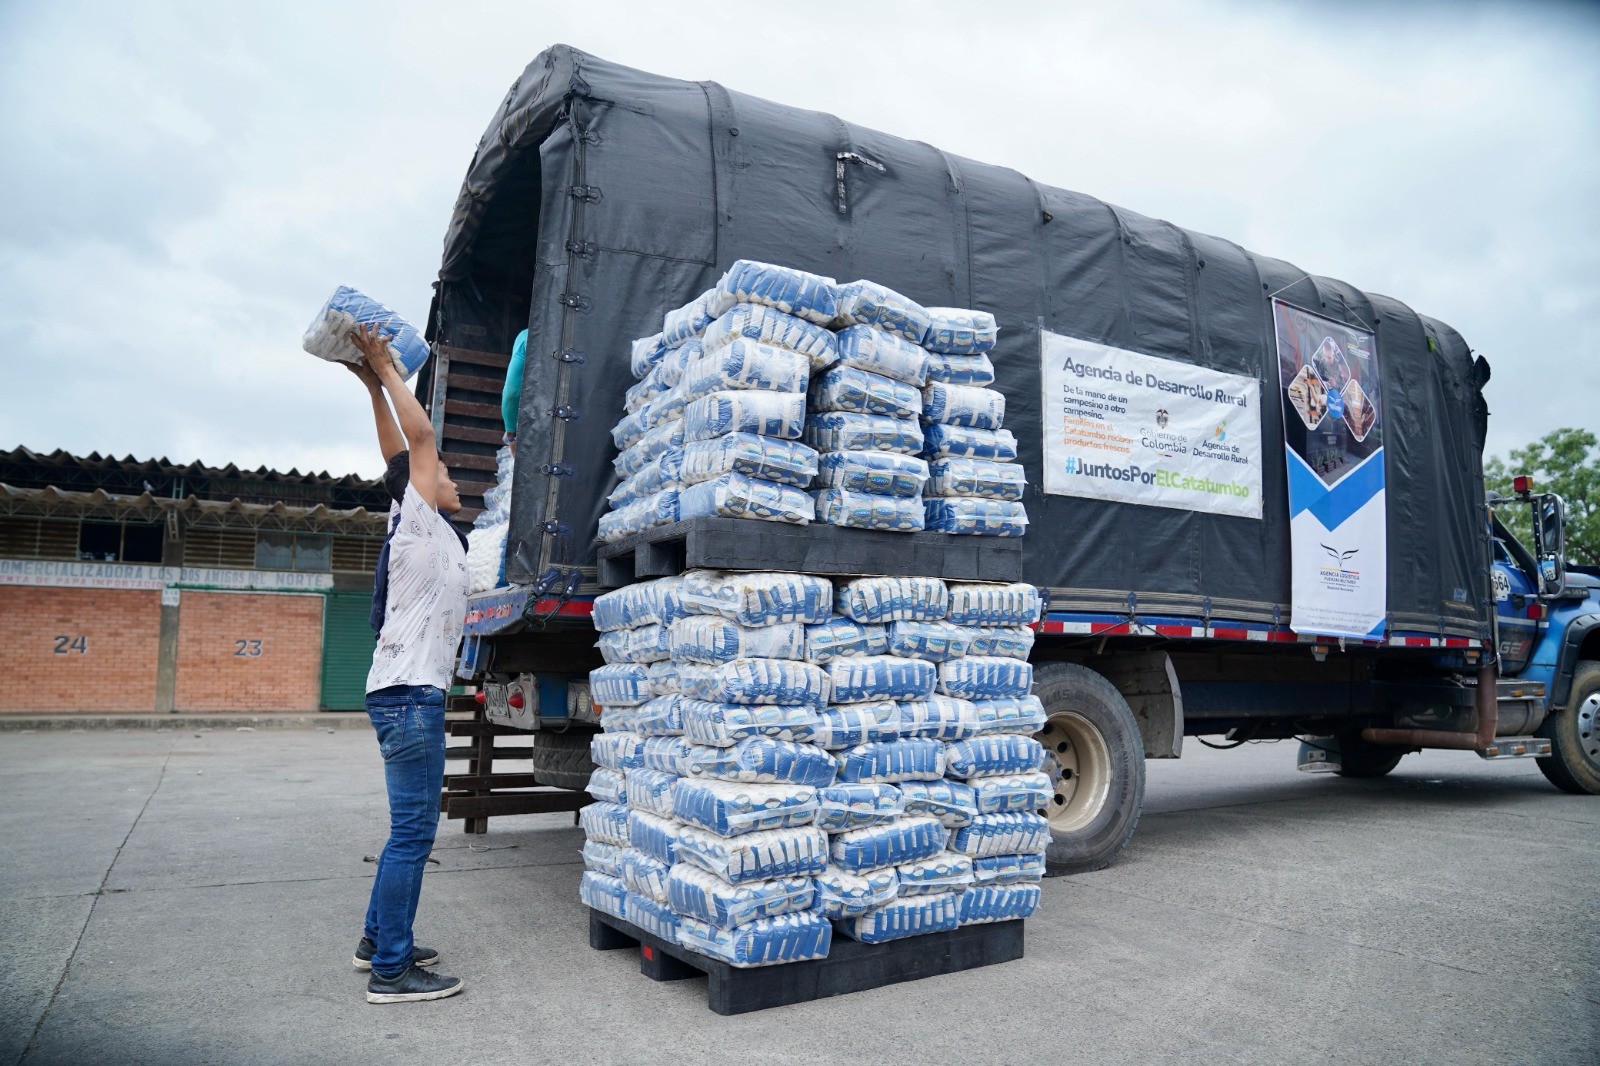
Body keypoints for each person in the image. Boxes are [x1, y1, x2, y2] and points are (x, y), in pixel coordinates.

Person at [344, 323, 469, 1004]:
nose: (447, 477)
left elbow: (398, 453)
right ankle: (392, 971)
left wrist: (370, 387)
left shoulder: (412, 521)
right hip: (411, 697)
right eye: (444, 474)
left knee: (406, 831)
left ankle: (376, 941)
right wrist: (389, 369)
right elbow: (418, 445)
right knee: (413, 834)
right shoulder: (420, 520)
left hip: (401, 695)